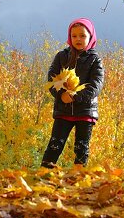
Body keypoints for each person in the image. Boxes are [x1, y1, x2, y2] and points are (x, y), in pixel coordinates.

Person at [40, 18, 104, 168]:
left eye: (82, 35)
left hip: (85, 110)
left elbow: (96, 84)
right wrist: (61, 95)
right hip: (64, 109)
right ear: (69, 37)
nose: (78, 39)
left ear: (90, 37)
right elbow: (52, 78)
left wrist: (78, 96)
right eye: (74, 36)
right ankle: (44, 173)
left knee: (81, 147)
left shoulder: (95, 60)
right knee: (55, 144)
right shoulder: (62, 56)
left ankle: (78, 176)